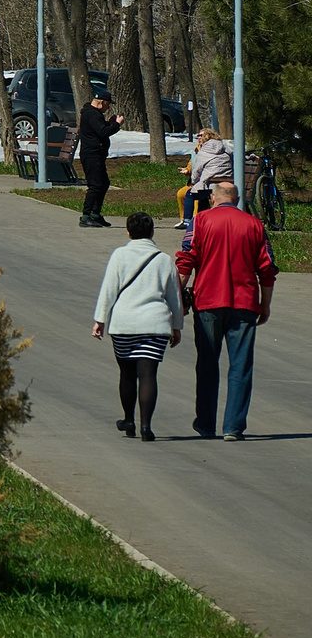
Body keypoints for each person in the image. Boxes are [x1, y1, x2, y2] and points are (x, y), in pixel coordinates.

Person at [177, 177, 276, 441]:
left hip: (208, 301)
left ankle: (206, 423)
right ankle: (233, 426)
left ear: (213, 198)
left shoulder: (201, 220)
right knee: (241, 366)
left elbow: (186, 259)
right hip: (244, 303)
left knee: (207, 364)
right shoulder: (254, 225)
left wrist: (177, 298)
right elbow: (267, 268)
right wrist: (265, 305)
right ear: (238, 200)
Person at [90, 210, 181, 441]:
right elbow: (175, 298)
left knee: (127, 373)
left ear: (128, 233)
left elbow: (108, 289)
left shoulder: (119, 255)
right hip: (155, 326)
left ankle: (128, 419)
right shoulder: (164, 260)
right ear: (152, 232)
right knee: (148, 375)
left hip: (124, 325)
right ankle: (146, 427)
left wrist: (100, 320)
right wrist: (177, 326)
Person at [75, 93, 122, 228]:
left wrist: (110, 123)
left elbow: (99, 129)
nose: (108, 108)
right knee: (95, 185)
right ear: (101, 102)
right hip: (92, 154)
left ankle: (95, 214)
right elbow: (103, 132)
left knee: (104, 183)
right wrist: (116, 125)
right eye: (108, 104)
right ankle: (86, 216)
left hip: (97, 154)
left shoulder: (93, 114)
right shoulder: (92, 114)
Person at [183, 126, 234, 232]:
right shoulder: (226, 149)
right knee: (201, 193)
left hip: (210, 184)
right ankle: (202, 218)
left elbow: (197, 170)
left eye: (200, 136)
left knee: (190, 194)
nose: (199, 138)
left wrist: (193, 181)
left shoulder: (204, 152)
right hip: (226, 183)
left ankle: (187, 221)